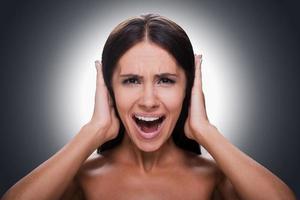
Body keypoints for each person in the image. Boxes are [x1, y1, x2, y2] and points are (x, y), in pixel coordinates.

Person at [2, 14, 295, 200]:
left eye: (166, 80)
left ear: (189, 89)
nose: (148, 100)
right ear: (109, 89)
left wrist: (206, 131)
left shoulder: (216, 179)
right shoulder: (80, 179)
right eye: (131, 80)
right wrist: (93, 131)